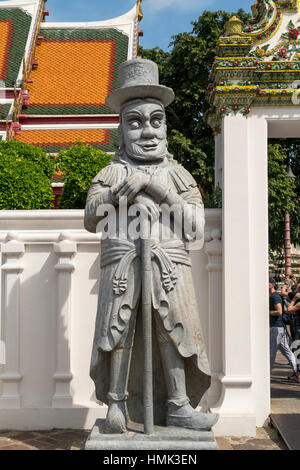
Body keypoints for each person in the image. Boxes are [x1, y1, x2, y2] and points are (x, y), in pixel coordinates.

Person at [84, 59, 218, 434]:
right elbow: (91, 217)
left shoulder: (178, 174)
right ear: (121, 130)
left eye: (155, 121)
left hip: (169, 263)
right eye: (135, 122)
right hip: (124, 263)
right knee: (119, 328)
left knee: (172, 329)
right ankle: (116, 403)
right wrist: (117, 195)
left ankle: (177, 404)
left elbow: (194, 225)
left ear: (166, 127)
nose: (147, 131)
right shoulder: (111, 172)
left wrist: (158, 190)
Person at [269, 277, 297, 379]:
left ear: (271, 284)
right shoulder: (273, 296)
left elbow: (279, 312)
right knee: (287, 351)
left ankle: (266, 374)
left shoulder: (275, 297)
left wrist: (267, 312)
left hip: (277, 327)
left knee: (272, 351)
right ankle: (297, 371)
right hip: (279, 328)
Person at [287, 285, 300, 383]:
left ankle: (298, 375)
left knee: (297, 351)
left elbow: (288, 310)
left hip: (297, 328)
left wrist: (294, 299)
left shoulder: (298, 303)